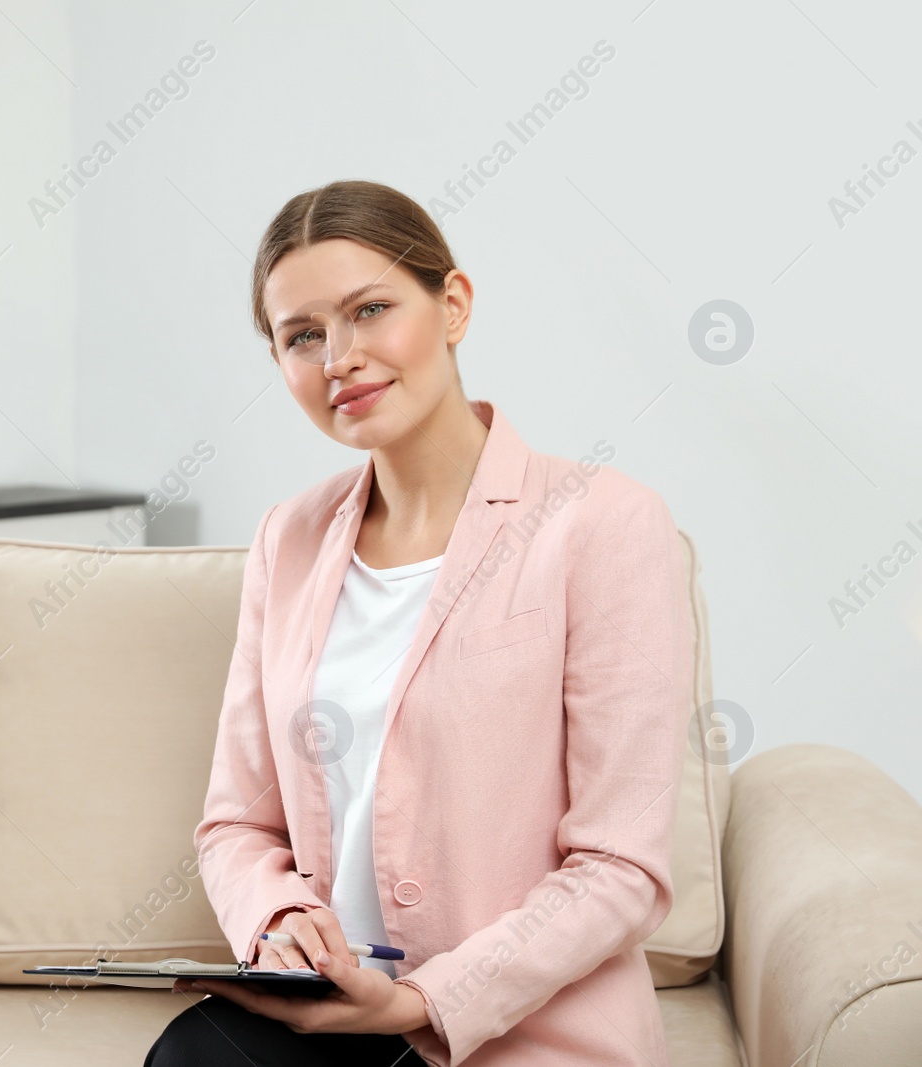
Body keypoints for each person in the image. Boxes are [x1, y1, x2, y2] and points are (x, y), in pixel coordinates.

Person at [144, 180, 692, 1066]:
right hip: (322, 1015)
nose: (340, 357)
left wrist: (417, 1000)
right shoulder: (287, 538)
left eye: (370, 310)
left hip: (517, 1023)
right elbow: (235, 825)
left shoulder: (602, 522)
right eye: (303, 335)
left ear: (454, 306)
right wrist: (282, 923)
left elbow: (620, 867)